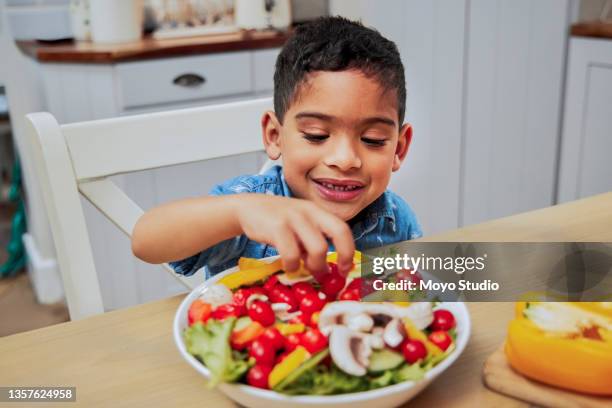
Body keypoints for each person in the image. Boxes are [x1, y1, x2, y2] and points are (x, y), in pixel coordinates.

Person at [131, 16, 422, 280]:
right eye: (317, 135)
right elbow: (145, 241)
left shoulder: (396, 219)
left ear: (399, 148)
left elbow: (423, 290)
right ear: (274, 135)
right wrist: (238, 214)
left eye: (373, 139)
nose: (345, 160)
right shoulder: (249, 208)